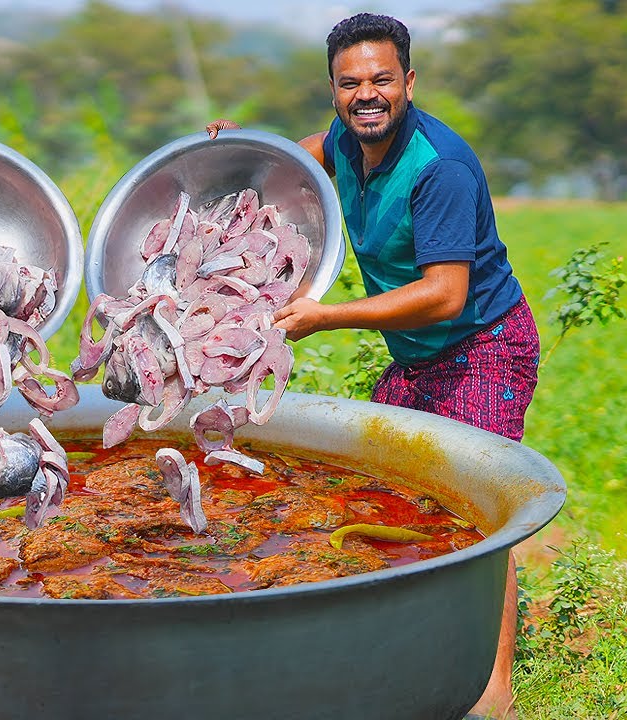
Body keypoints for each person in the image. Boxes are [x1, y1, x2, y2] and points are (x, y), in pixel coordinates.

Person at [208, 13, 537, 720]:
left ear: (408, 82)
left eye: (382, 80)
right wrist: (237, 159)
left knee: (478, 509)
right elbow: (297, 160)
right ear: (334, 90)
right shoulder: (344, 142)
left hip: (481, 344)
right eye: (350, 82)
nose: (367, 94)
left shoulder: (437, 167)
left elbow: (447, 294)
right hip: (417, 354)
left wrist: (323, 315)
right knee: (388, 486)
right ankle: (407, 643)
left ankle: (493, 689)